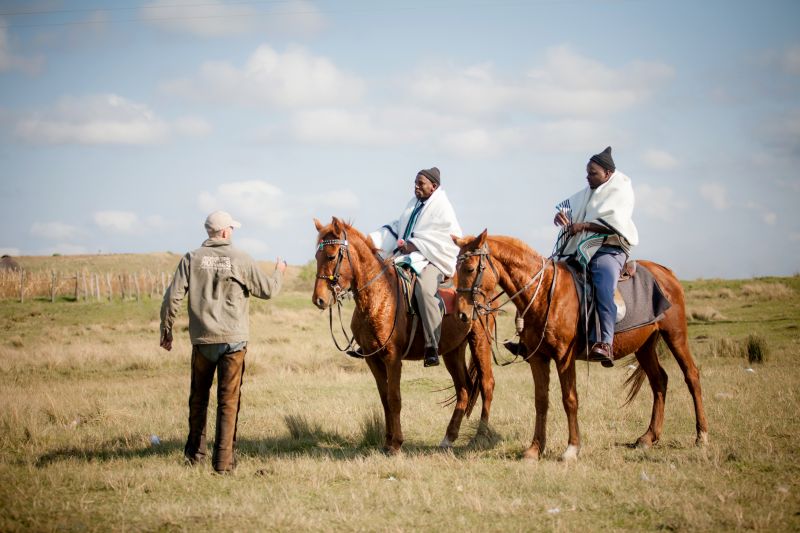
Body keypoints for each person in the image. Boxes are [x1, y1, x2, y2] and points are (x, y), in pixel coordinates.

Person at [160, 210, 286, 473]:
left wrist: (167, 329)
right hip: (234, 341)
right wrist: (279, 271)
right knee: (228, 401)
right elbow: (268, 290)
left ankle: (194, 454)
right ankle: (223, 462)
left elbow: (172, 297)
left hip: (203, 340)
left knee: (198, 397)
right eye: (232, 228)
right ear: (226, 231)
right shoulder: (240, 258)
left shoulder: (191, 258)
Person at [369, 167, 463, 367]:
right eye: (415, 183)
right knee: (381, 282)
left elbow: (444, 238)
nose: (416, 187)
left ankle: (431, 345)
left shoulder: (442, 207)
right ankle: (371, 337)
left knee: (423, 289)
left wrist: (416, 244)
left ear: (433, 186)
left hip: (435, 260)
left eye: (421, 183)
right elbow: (401, 227)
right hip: (410, 258)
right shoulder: (414, 205)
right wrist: (374, 239)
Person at [554, 146, 639, 367]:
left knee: (602, 285)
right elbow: (572, 207)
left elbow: (614, 225)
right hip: (584, 246)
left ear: (608, 174)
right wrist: (561, 216)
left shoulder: (620, 191)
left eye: (593, 173)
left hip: (609, 249)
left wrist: (581, 225)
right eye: (587, 172)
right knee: (553, 276)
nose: (588, 177)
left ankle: (605, 341)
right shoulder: (592, 190)